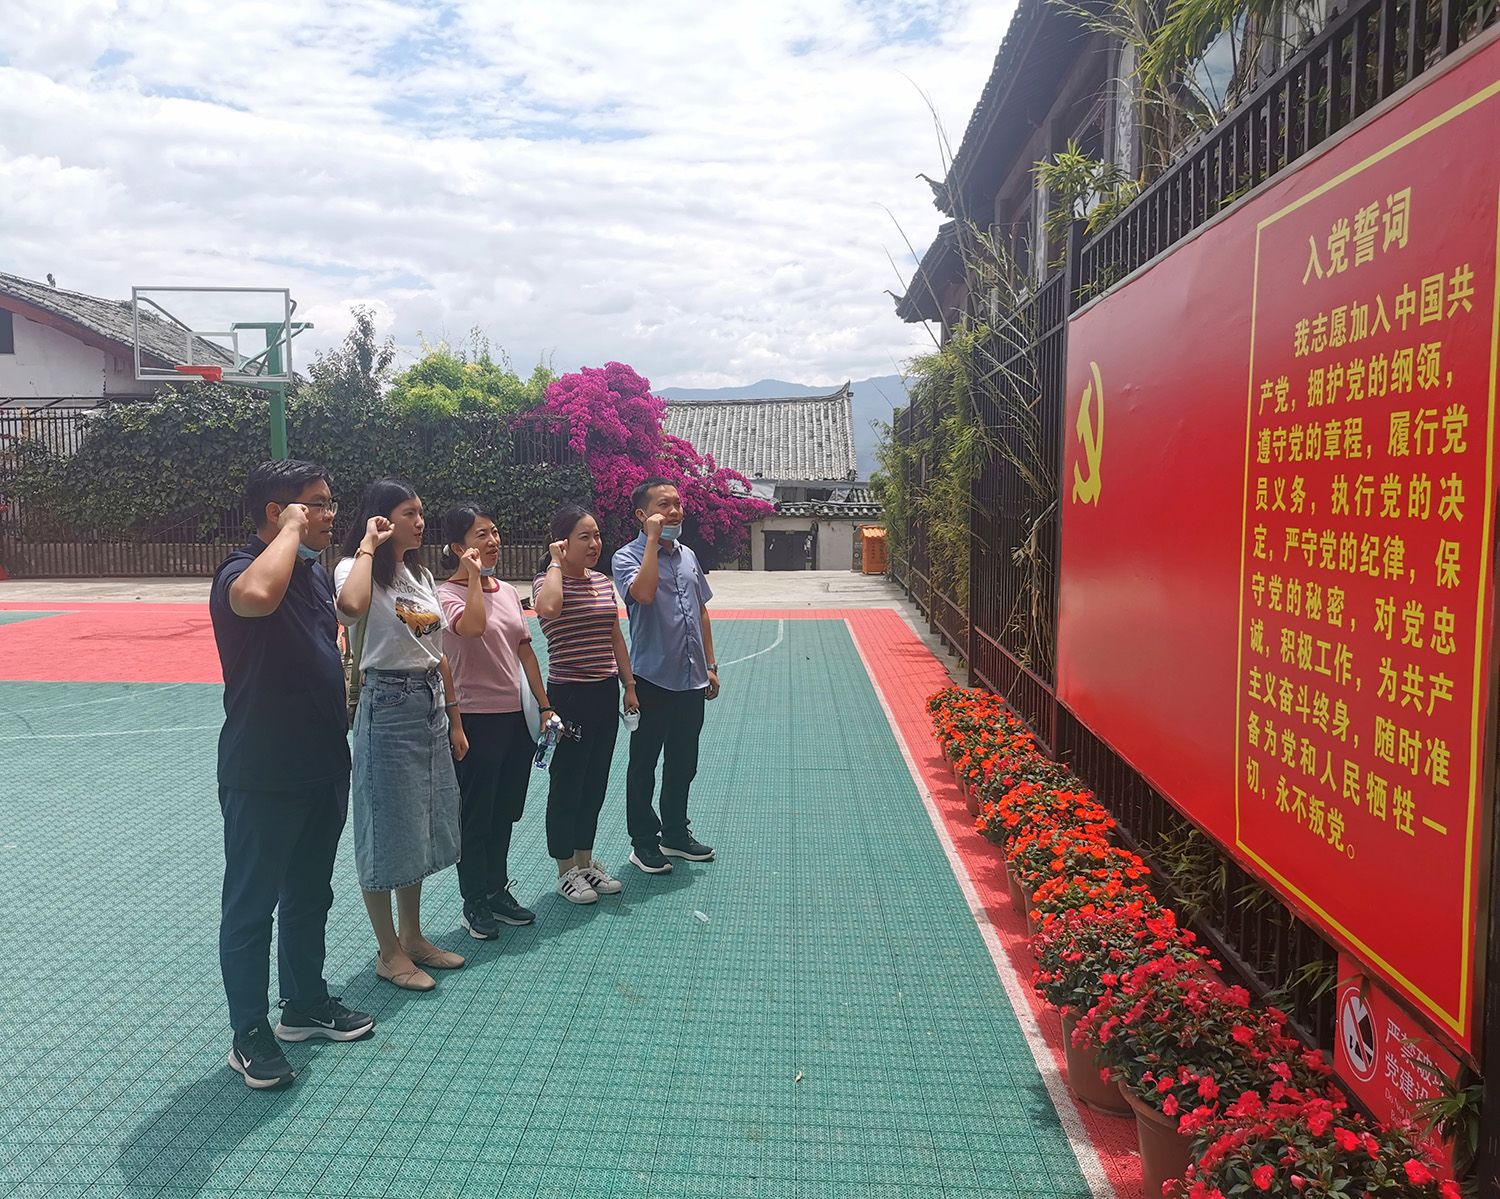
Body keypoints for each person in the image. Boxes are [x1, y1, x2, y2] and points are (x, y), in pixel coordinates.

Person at [210, 459, 375, 1091]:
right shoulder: (239, 571)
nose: (331, 513)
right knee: (252, 906)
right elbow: (255, 599)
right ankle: (249, 1031)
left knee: (310, 893)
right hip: (263, 770)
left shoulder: (310, 574)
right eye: (317, 504)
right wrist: (288, 531)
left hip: (322, 763)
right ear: (279, 513)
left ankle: (304, 1003)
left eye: (330, 502)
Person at [334, 478, 467, 992]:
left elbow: (437, 650)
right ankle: (387, 952)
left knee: (419, 822)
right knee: (384, 826)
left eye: (420, 512)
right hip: (386, 703)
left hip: (427, 701)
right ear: (381, 518)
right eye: (408, 513)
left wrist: (452, 714)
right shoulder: (355, 567)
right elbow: (349, 609)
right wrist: (368, 546)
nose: (420, 522)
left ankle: (412, 937)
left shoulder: (420, 573)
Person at [437, 502, 550, 938]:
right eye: (480, 535)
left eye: (495, 532)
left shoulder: (505, 591)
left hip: (513, 717)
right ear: (457, 547)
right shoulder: (446, 595)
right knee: (476, 815)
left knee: (504, 811)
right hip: (473, 719)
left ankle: (497, 890)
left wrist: (544, 705)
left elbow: (524, 650)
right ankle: (474, 901)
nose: (493, 541)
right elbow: (472, 627)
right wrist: (472, 579)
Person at [531, 504, 639, 903]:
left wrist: (628, 684)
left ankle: (585, 862)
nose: (595, 544)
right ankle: (565, 871)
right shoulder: (546, 582)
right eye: (584, 537)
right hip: (568, 695)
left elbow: (614, 635)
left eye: (597, 535)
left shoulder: (602, 582)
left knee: (594, 782)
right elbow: (548, 609)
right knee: (567, 784)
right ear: (561, 542)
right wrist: (555, 563)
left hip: (604, 692)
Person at [612, 477, 719, 874]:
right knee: (644, 765)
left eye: (677, 503)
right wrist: (653, 543)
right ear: (642, 515)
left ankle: (675, 833)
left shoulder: (688, 555)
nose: (674, 511)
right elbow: (642, 594)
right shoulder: (626, 557)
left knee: (683, 761)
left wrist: (710, 666)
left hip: (691, 678)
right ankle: (643, 842)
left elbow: (701, 609)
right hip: (651, 680)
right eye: (663, 505)